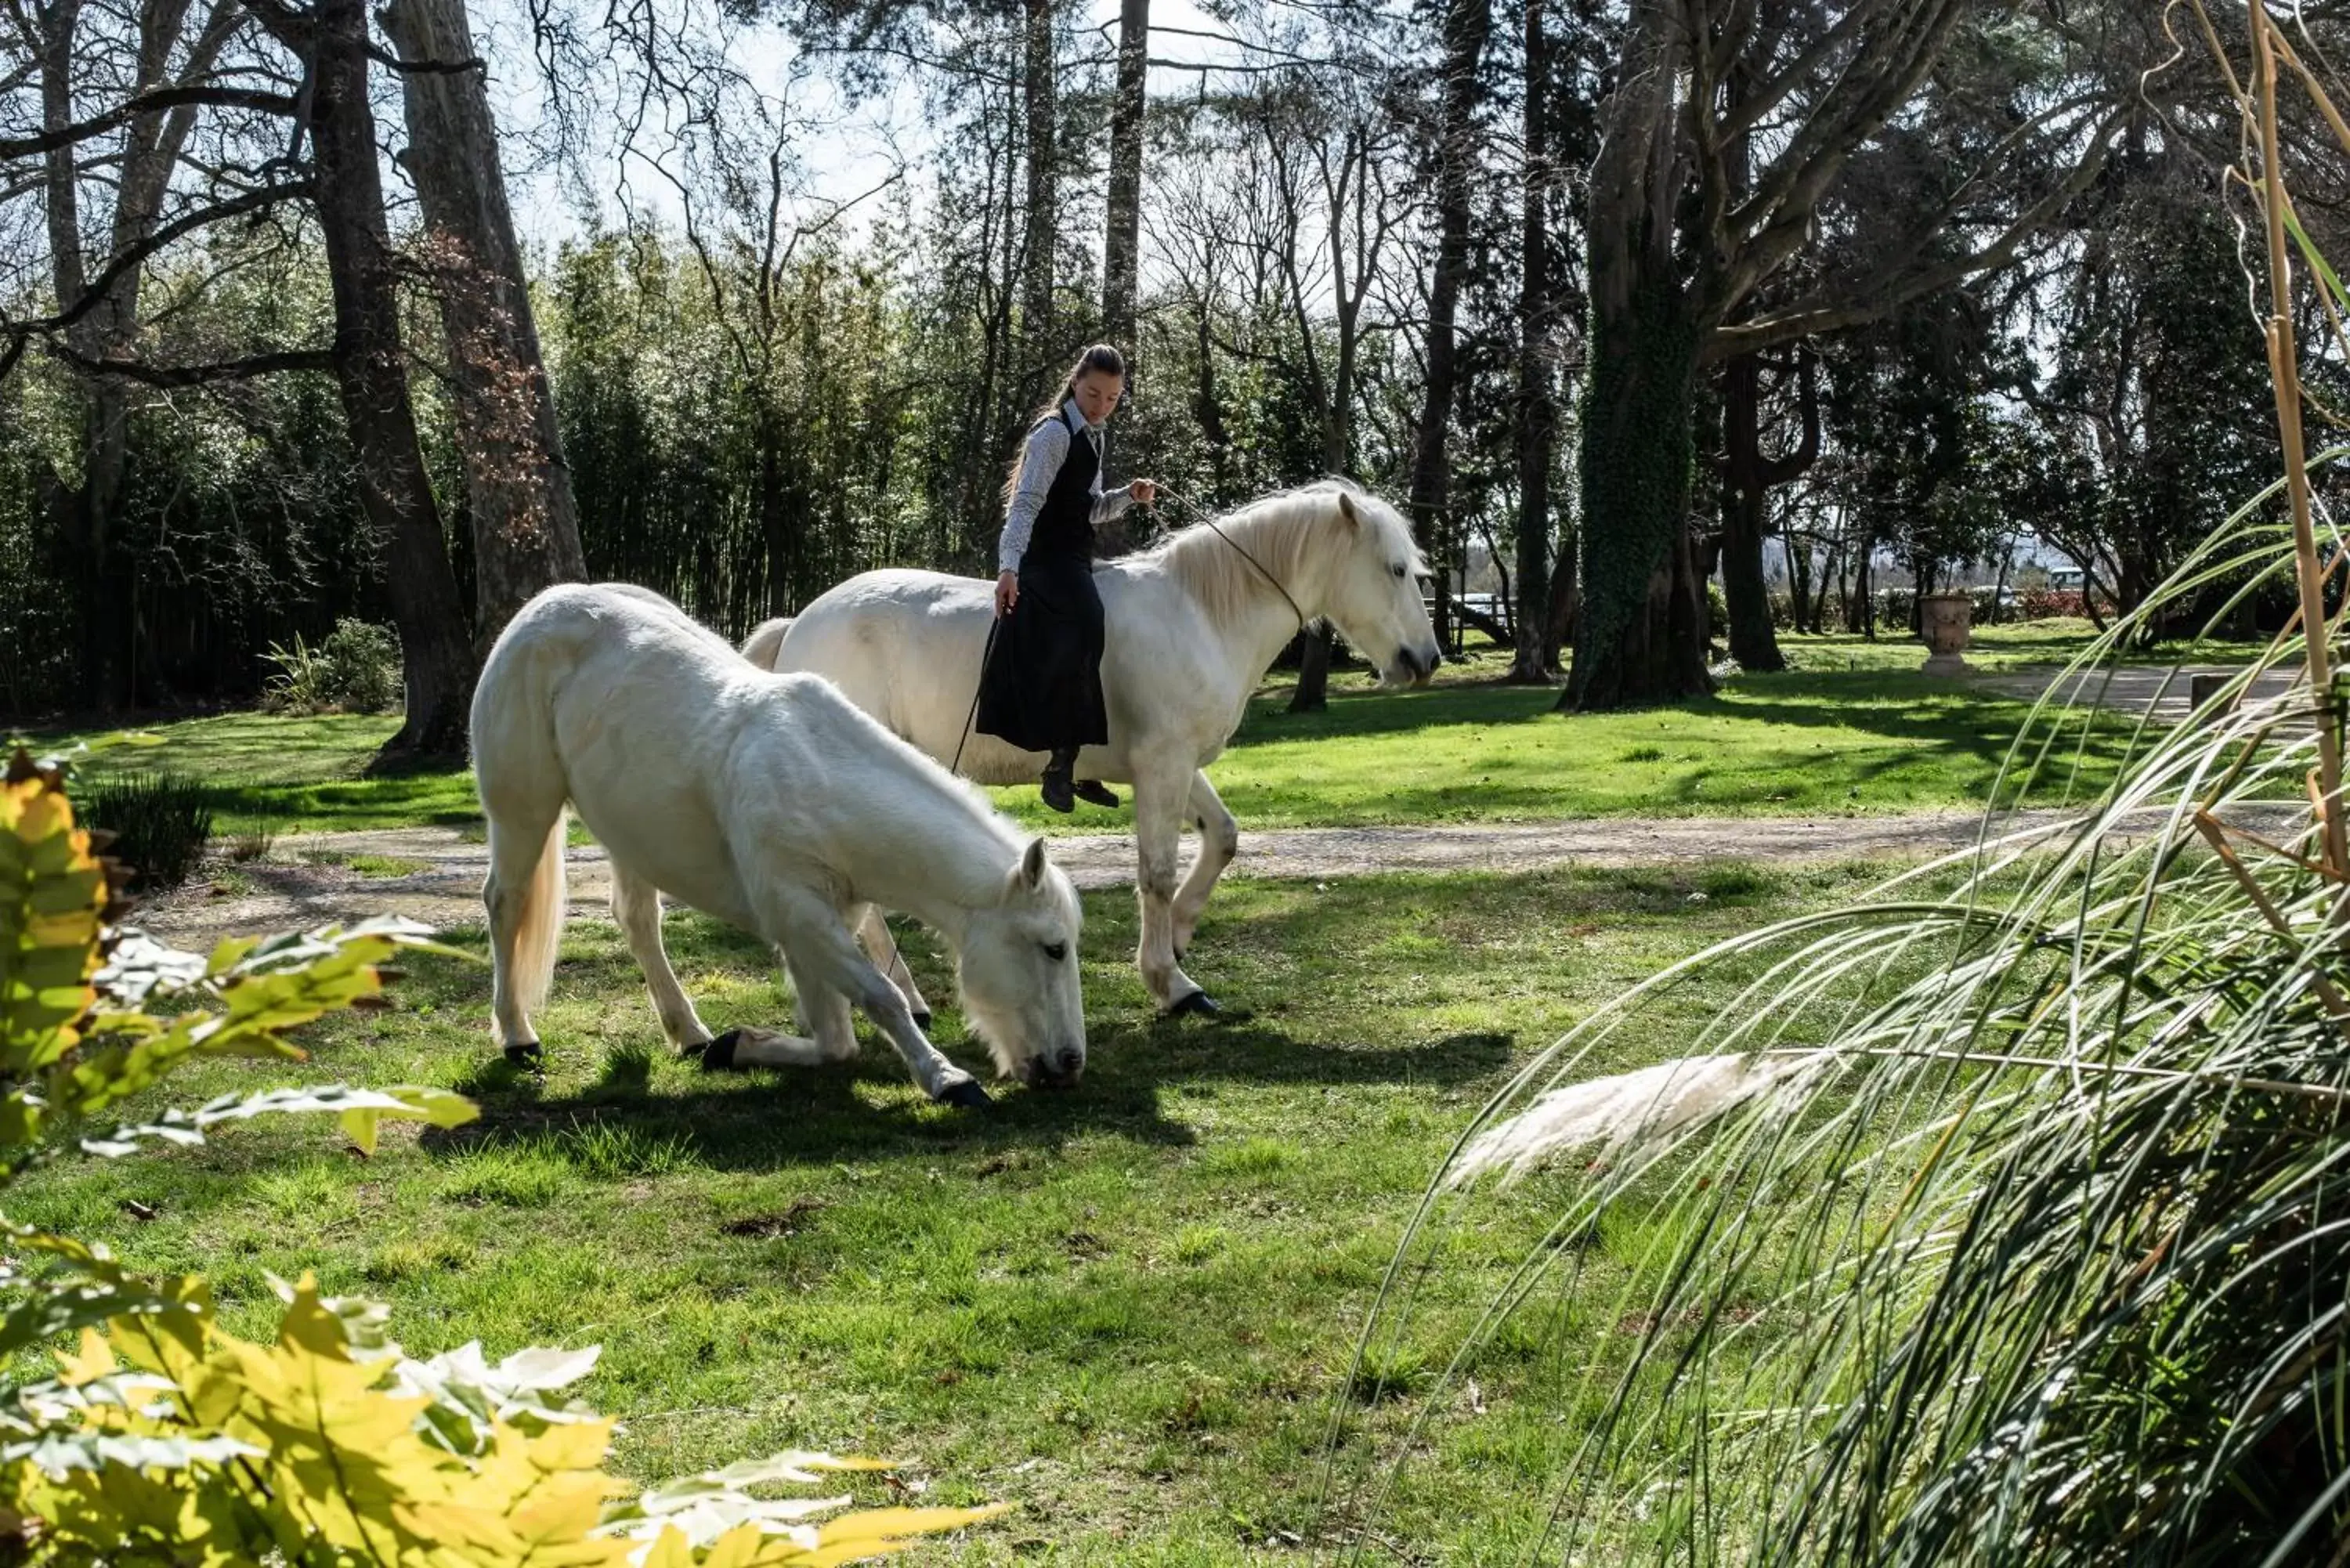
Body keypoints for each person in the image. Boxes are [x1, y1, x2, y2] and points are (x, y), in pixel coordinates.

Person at [975, 343, 1158, 812]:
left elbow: (1091, 508)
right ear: (1076, 382)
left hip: (1074, 557)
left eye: (1113, 399)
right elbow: (1026, 505)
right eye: (1094, 394)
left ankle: (1082, 764)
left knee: (1097, 628)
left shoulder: (1095, 436)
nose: (1102, 406)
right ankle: (1061, 763)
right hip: (1044, 558)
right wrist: (1008, 568)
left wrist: (1128, 496)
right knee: (1087, 619)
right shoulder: (1054, 433)